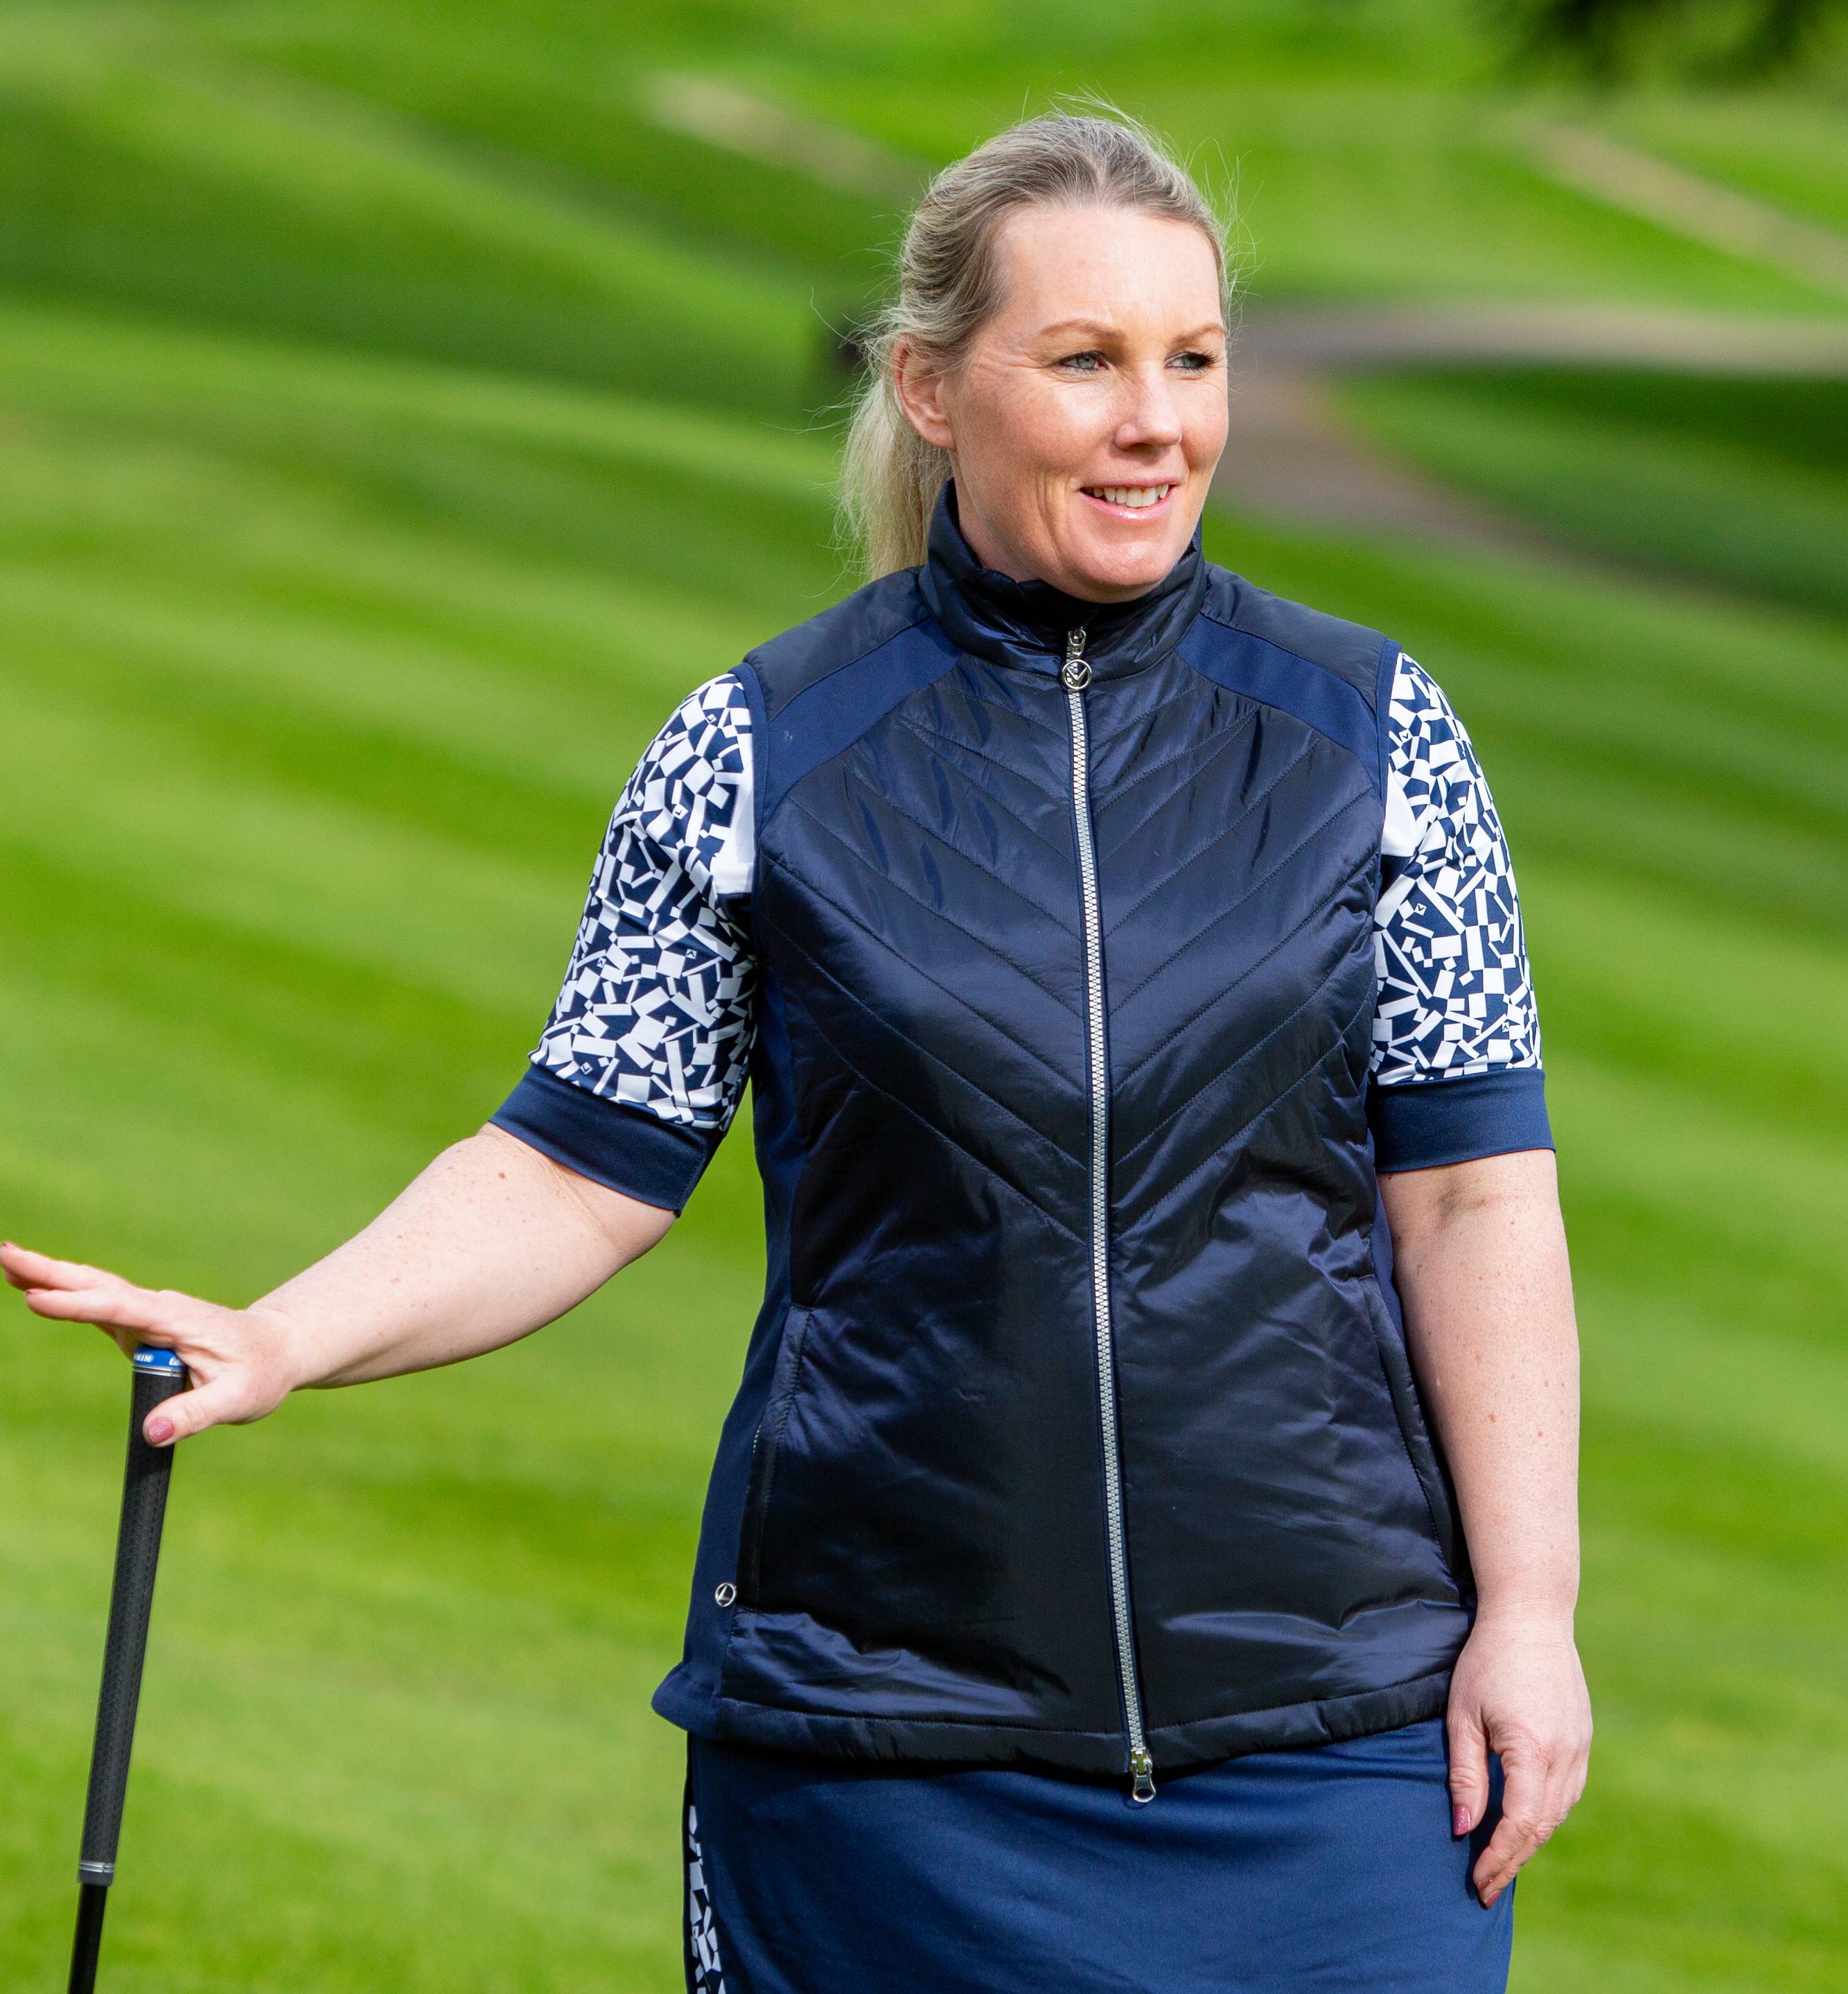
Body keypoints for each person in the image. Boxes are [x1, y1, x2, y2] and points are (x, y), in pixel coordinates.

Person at [5, 108, 1590, 1994]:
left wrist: (1532, 1610)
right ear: (929, 387)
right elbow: (575, 1166)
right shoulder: (762, 753)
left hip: (1334, 1762)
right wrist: (284, 1335)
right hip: (880, 1760)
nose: (1156, 424)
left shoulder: (1375, 740)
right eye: (1085, 362)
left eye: (1194, 360)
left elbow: (1474, 1196)